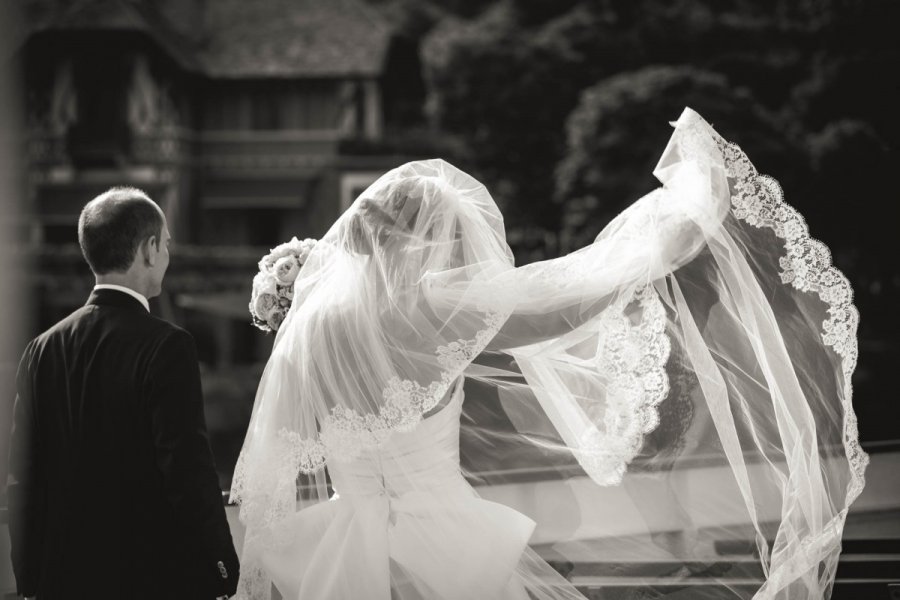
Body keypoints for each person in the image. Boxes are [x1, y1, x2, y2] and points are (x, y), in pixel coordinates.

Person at [231, 108, 865, 600]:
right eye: (452, 239)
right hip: (448, 549)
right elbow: (571, 300)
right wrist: (685, 216)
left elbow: (273, 459)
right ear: (425, 242)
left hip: (339, 555)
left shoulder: (311, 328)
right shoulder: (434, 311)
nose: (459, 254)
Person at [7, 188, 240, 600]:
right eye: (166, 244)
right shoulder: (168, 346)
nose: (167, 255)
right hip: (148, 576)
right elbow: (186, 468)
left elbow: (23, 477)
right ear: (149, 250)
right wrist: (221, 564)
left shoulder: (40, 349)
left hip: (61, 579)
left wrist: (29, 578)